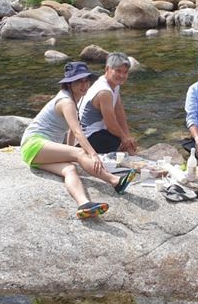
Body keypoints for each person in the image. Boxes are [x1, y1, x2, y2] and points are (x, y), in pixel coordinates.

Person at [20, 61, 136, 219]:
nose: (84, 85)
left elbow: (70, 130)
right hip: (34, 144)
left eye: (86, 80)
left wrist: (69, 151)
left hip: (36, 152)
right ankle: (116, 181)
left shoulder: (74, 99)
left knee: (70, 170)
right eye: (79, 81)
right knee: (80, 153)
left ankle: (84, 205)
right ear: (69, 83)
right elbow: (76, 130)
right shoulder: (66, 102)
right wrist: (92, 154)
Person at [79, 52, 138, 155]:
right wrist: (124, 139)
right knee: (116, 140)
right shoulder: (104, 92)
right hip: (87, 136)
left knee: (125, 139)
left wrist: (128, 137)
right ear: (107, 69)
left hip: (97, 131)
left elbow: (119, 113)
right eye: (118, 71)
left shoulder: (114, 84)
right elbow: (111, 124)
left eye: (125, 72)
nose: (122, 75)